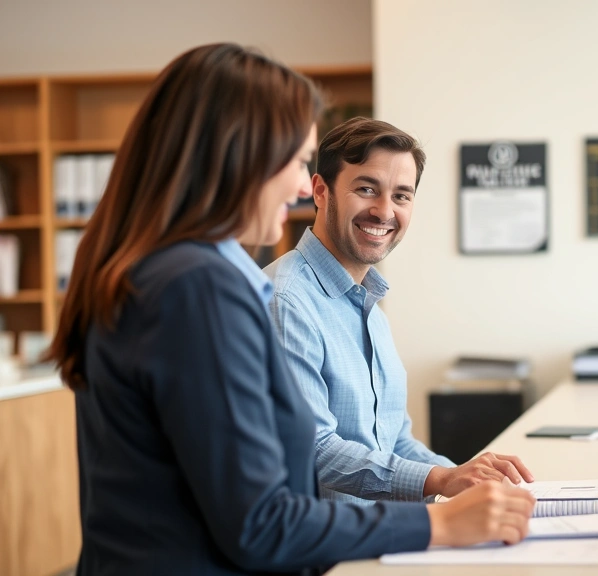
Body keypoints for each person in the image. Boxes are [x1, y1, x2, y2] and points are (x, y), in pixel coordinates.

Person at [49, 43, 534, 576]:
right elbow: (262, 522)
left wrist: (457, 486)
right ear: (238, 155)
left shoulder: (168, 273)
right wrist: (440, 524)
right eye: (299, 162)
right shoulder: (199, 289)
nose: (305, 185)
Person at [264, 117, 535, 506]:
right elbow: (314, 450)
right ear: (321, 192)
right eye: (366, 189)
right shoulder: (286, 298)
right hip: (328, 558)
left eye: (401, 196)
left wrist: (471, 481)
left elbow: (396, 440)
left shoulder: (368, 303)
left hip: (378, 536)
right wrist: (440, 479)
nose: (383, 211)